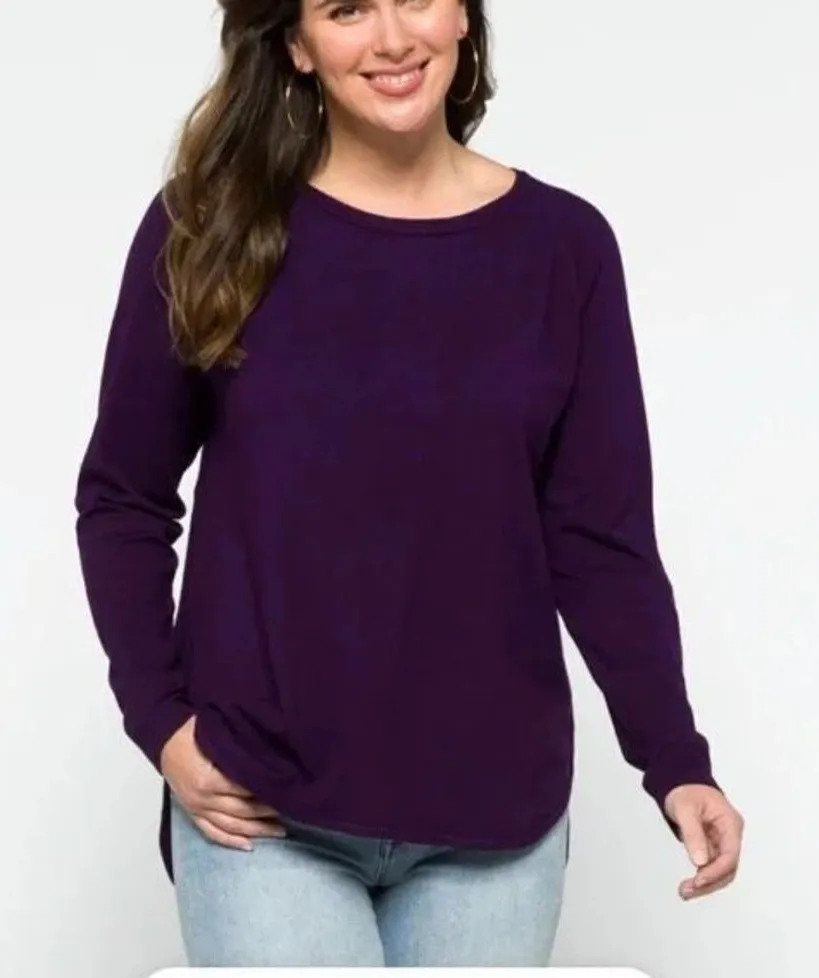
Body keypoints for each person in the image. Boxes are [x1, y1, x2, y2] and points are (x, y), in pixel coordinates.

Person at [74, 0, 745, 967]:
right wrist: (162, 723)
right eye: (347, 9)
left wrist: (675, 760)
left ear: (463, 17)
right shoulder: (211, 225)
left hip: (494, 818)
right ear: (296, 45)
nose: (392, 38)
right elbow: (123, 498)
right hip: (262, 806)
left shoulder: (562, 248)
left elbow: (600, 540)